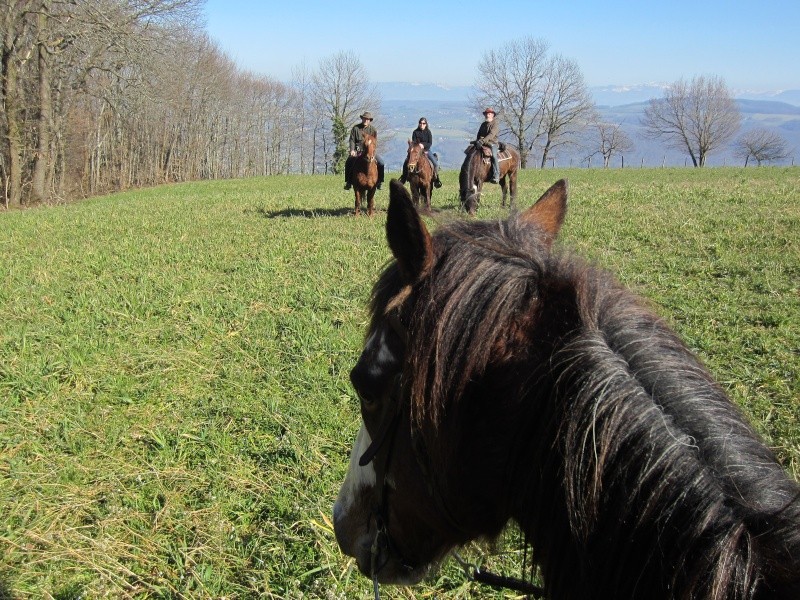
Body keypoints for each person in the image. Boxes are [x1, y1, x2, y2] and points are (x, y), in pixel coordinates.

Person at [344, 111, 385, 190]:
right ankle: (348, 182)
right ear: (362, 118)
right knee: (349, 161)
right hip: (358, 151)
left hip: (370, 152)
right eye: (365, 118)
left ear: (370, 120)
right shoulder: (355, 128)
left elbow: (374, 142)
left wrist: (372, 151)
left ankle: (379, 181)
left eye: (368, 119)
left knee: (381, 163)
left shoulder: (373, 130)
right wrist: (352, 150)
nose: (366, 120)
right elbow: (352, 140)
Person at [399, 117, 442, 188]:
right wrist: (418, 147)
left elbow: (430, 143)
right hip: (416, 152)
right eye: (420, 123)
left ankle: (436, 179)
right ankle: (404, 178)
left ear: (426, 124)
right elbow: (414, 143)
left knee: (435, 163)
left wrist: (423, 146)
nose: (422, 125)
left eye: (423, 123)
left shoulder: (428, 132)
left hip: (426, 151)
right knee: (406, 161)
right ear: (419, 124)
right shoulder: (415, 132)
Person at [473, 107, 500, 183]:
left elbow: (491, 135)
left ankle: (496, 175)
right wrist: (478, 141)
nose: (487, 115)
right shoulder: (483, 124)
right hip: (482, 143)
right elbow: (479, 134)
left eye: (489, 114)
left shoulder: (495, 124)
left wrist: (483, 140)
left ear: (492, 115)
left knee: (494, 156)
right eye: (486, 114)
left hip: (492, 143)